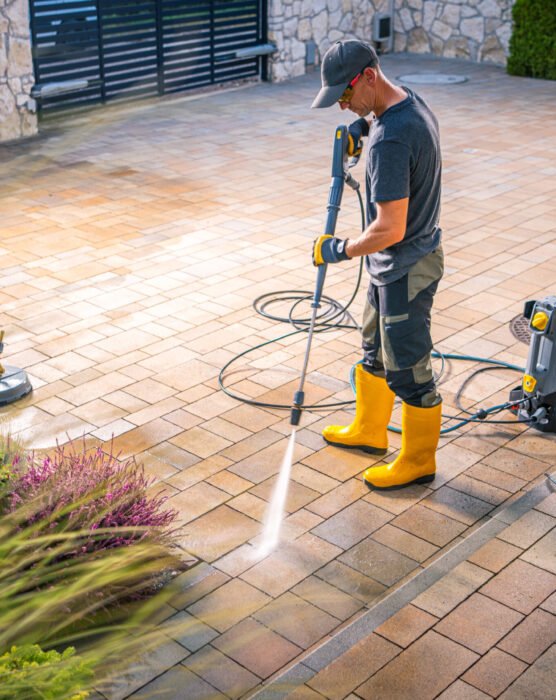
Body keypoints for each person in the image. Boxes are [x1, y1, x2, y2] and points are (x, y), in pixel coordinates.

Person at [311, 39, 444, 490]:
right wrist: (361, 128)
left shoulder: (392, 141)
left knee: (408, 367)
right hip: (390, 265)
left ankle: (418, 460)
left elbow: (390, 228)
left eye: (345, 96)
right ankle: (370, 431)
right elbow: (383, 118)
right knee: (374, 350)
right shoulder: (405, 102)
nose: (342, 106)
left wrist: (340, 249)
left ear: (369, 76)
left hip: (405, 264)